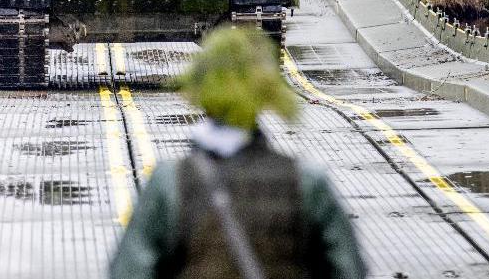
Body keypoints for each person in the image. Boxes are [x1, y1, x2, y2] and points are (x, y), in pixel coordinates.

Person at [109, 27, 367, 279]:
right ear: (266, 92)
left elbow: (130, 270)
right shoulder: (307, 182)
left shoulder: (169, 183)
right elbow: (348, 269)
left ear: (199, 87)